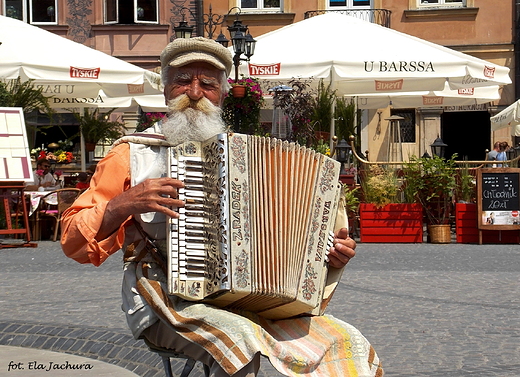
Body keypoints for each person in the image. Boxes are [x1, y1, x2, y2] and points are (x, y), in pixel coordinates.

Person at [60, 37, 383, 377]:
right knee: (238, 341)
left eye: (208, 84)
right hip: (163, 301)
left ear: (223, 94)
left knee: (350, 342)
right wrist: (124, 203)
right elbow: (72, 240)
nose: (195, 92)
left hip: (250, 303)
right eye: (183, 80)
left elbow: (301, 238)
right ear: (166, 89)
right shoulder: (131, 154)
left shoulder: (253, 158)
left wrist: (330, 253)